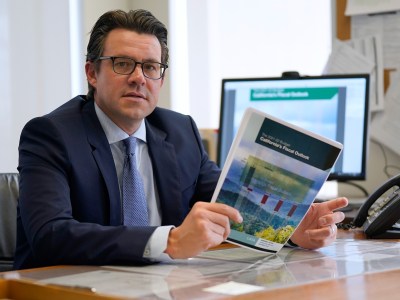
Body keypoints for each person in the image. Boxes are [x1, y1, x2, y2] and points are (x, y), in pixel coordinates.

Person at [14, 9, 348, 270]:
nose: (138, 78)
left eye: (150, 67)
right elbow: (50, 236)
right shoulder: (51, 135)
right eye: (122, 64)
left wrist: (291, 231)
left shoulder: (179, 131)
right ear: (92, 73)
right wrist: (169, 241)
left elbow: (232, 205)